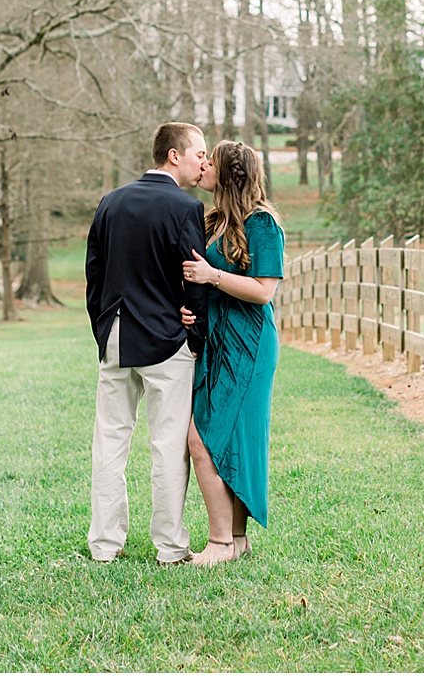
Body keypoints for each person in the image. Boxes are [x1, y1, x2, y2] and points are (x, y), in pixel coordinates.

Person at [84, 122, 210, 564]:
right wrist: (194, 334)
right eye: (199, 154)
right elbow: (194, 278)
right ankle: (171, 547)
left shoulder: (111, 201)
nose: (203, 163)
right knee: (168, 445)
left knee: (110, 440)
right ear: (174, 155)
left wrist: (103, 327)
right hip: (166, 341)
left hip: (116, 336)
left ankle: (104, 544)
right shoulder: (186, 208)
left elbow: (94, 275)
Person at [179, 139, 284, 567]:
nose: (202, 165)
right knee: (225, 439)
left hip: (249, 344)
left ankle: (220, 542)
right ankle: (236, 540)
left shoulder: (262, 224)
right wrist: (192, 309)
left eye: (210, 161)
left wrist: (212, 277)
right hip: (216, 341)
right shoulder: (215, 220)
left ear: (227, 173)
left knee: (200, 437)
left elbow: (263, 291)